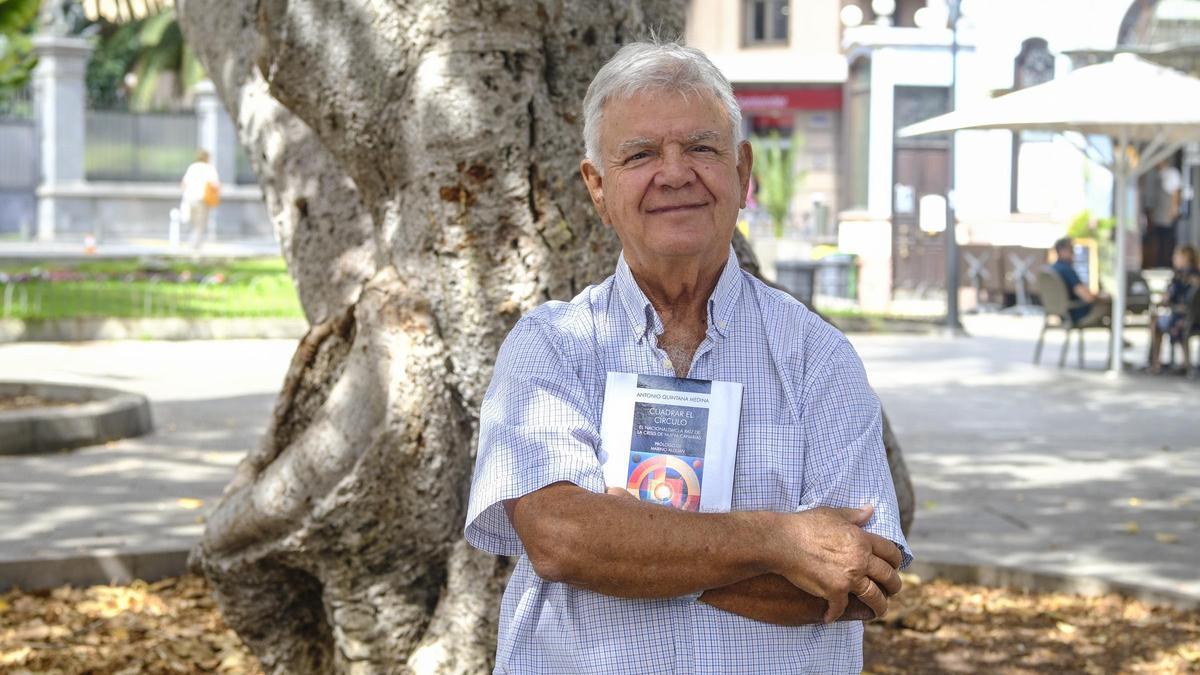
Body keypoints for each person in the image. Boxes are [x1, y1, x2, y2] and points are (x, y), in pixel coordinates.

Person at [464, 40, 910, 673]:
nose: (674, 173)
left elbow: (859, 578)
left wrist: (632, 547)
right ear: (597, 186)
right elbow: (562, 539)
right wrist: (779, 541)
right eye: (641, 154)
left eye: (701, 148)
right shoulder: (548, 347)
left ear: (742, 172)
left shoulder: (819, 358)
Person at [1146, 244, 1200, 374]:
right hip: (1194, 319)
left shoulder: (1180, 276)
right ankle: (1184, 362)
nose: (1173, 258)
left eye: (1176, 255)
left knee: (1155, 321)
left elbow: (1168, 298)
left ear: (1185, 258)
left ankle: (1155, 363)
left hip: (1182, 318)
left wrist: (1163, 301)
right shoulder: (1197, 274)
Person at [1050, 236, 1110, 326]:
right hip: (1076, 313)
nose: (1074, 253)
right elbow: (1088, 297)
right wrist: (1102, 297)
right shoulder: (1067, 270)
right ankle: (1117, 337)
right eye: (1071, 250)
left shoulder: (1052, 269)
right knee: (1111, 305)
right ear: (1062, 251)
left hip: (1062, 313)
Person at [179, 150, 220, 252]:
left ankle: (190, 243)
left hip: (189, 199)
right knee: (200, 224)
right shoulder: (209, 168)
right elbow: (215, 185)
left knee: (192, 222)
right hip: (202, 199)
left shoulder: (192, 167)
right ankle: (194, 246)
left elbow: (183, 184)